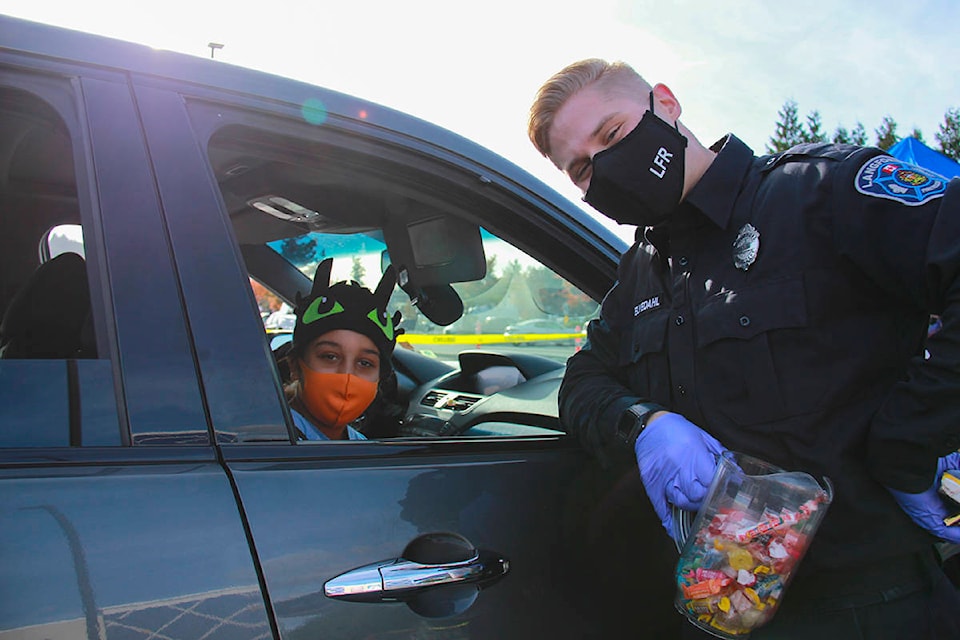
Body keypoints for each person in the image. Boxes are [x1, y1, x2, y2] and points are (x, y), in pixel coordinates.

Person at [527, 58, 960, 638]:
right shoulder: (643, 270)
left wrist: (910, 441)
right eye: (580, 169)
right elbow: (584, 379)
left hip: (866, 603)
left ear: (667, 103)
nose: (603, 168)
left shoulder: (820, 193)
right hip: (721, 599)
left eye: (613, 135)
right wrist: (644, 423)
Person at [285, 258, 403, 441]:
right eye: (330, 357)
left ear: (380, 378)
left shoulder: (359, 444)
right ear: (294, 366)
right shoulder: (273, 440)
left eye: (365, 363)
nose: (347, 376)